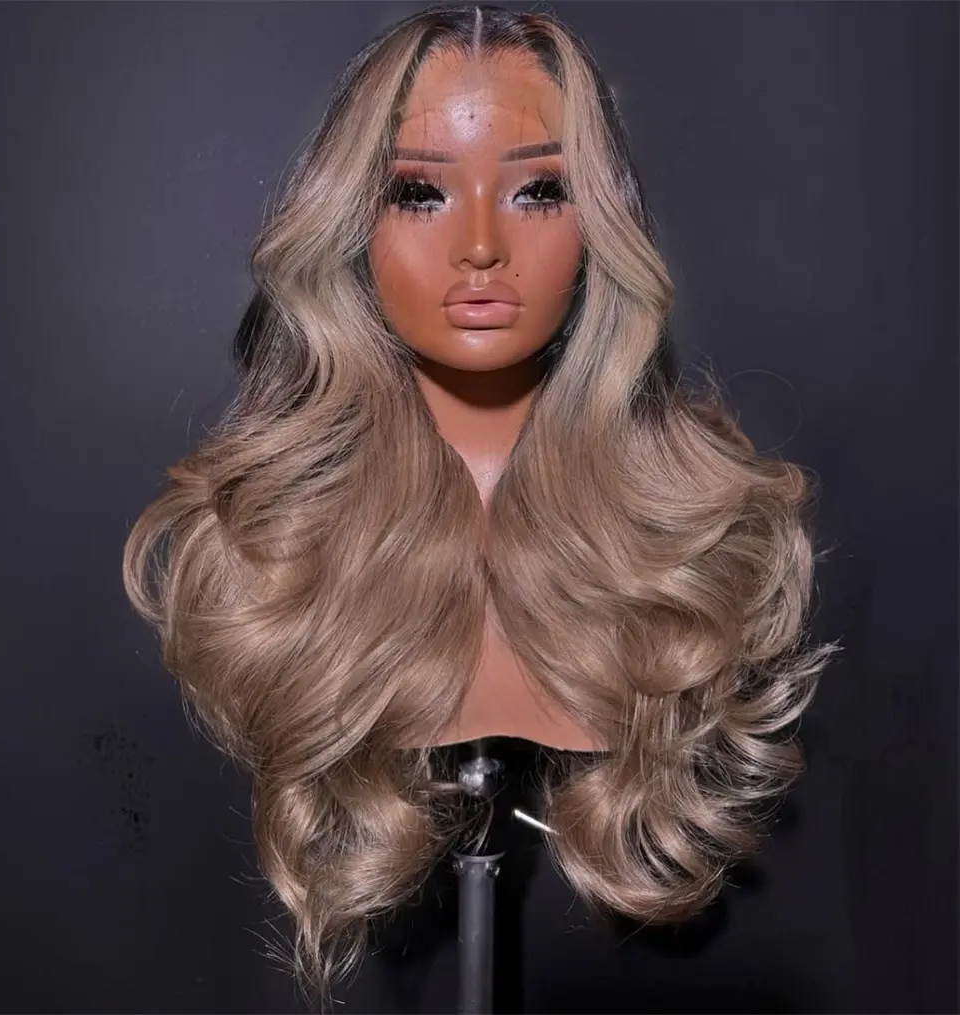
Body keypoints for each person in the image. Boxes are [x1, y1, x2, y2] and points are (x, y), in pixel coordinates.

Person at [122, 3, 840, 1009]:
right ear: (350, 222)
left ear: (599, 225)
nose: (478, 247)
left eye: (538, 190)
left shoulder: (685, 538)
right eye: (418, 192)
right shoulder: (275, 547)